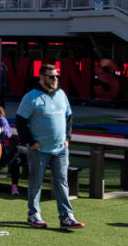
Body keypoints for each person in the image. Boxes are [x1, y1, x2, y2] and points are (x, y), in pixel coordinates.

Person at [16, 66, 80, 229]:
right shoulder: (31, 97)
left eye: (57, 76)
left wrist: (67, 137)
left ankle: (66, 216)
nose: (55, 79)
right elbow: (20, 121)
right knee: (36, 182)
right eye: (51, 77)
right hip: (40, 150)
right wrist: (31, 143)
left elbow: (69, 116)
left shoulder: (61, 94)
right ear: (42, 77)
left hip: (60, 149)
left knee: (62, 182)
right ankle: (34, 214)